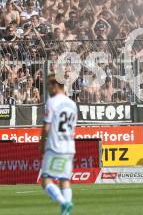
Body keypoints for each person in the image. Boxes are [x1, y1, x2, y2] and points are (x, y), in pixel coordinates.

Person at [40, 74, 78, 215]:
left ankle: (65, 203)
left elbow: (46, 127)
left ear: (56, 85)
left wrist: (41, 143)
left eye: (49, 85)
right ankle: (65, 213)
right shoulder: (72, 104)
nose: (48, 88)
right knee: (64, 179)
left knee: (46, 180)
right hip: (69, 147)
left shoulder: (52, 102)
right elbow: (73, 129)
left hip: (55, 145)